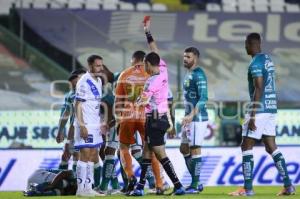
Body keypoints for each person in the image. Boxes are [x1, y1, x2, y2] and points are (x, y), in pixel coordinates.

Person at [229, 33, 296, 196]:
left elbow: (259, 87)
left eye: (245, 44)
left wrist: (252, 115)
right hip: (271, 108)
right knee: (271, 146)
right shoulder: (267, 59)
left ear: (251, 44)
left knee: (246, 145)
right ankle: (288, 186)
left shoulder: (255, 63)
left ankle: (247, 188)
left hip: (260, 109)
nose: (245, 47)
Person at [130, 17, 185, 196]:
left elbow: (143, 102)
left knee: (160, 155)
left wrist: (135, 100)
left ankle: (178, 186)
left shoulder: (151, 82)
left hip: (154, 119)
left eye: (144, 64)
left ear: (147, 64)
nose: (143, 67)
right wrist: (147, 32)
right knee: (147, 152)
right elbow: (154, 50)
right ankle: (140, 187)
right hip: (158, 118)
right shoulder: (163, 68)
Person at [115, 50, 163, 195]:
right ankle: (159, 184)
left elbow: (118, 101)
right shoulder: (150, 74)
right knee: (151, 149)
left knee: (123, 147)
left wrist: (118, 118)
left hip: (128, 116)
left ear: (133, 60)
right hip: (146, 117)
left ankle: (130, 176)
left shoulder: (124, 74)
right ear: (144, 60)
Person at [74, 55, 105, 197]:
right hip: (85, 123)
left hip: (95, 124)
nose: (101, 68)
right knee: (84, 154)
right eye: (98, 65)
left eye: (101, 65)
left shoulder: (98, 81)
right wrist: (82, 125)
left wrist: (101, 122)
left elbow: (96, 105)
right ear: (90, 66)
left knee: (93, 155)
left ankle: (88, 187)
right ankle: (80, 189)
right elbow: (78, 104)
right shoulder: (83, 81)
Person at [180, 47, 208, 194]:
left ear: (195, 58)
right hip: (188, 118)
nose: (185, 59)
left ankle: (195, 184)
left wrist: (191, 115)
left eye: (188, 57)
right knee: (183, 149)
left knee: (195, 149)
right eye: (184, 56)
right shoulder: (188, 73)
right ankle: (197, 182)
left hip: (197, 118)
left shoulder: (199, 74)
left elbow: (204, 98)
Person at [56, 69, 86, 172]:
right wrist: (60, 130)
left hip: (90, 130)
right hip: (74, 130)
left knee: (78, 156)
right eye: (72, 85)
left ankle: (78, 183)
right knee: (67, 155)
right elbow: (65, 114)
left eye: (75, 83)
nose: (74, 87)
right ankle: (65, 182)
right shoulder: (70, 96)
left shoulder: (93, 92)